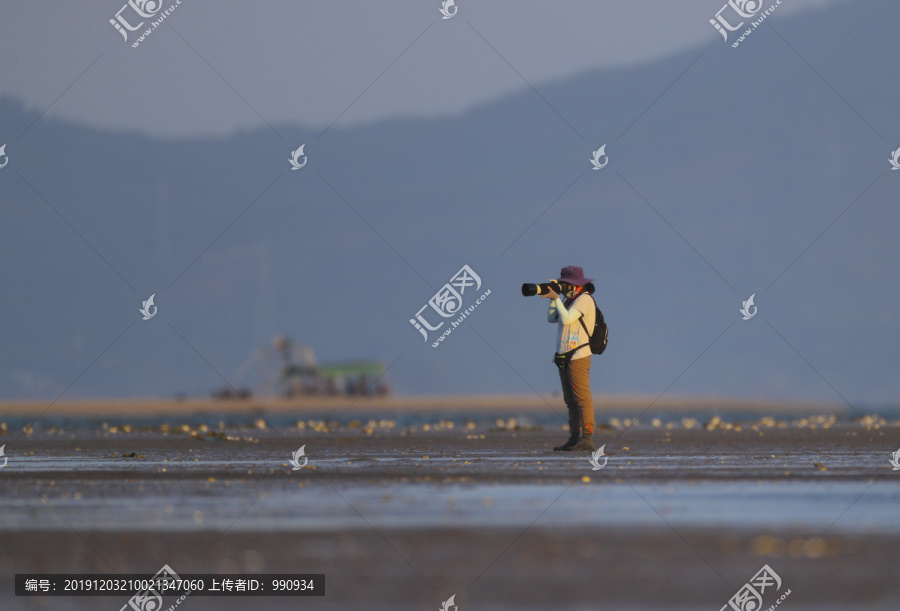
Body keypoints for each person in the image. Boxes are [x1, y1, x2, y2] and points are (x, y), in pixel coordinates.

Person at [541, 266, 596, 452]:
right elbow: (551, 319)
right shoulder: (569, 299)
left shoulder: (585, 299)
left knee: (582, 398)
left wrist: (557, 298)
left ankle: (587, 439)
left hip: (579, 355)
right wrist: (553, 299)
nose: (563, 287)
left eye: (565, 284)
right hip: (564, 355)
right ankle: (574, 438)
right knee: (570, 400)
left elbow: (568, 319)